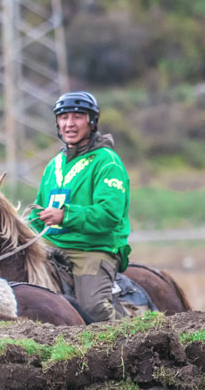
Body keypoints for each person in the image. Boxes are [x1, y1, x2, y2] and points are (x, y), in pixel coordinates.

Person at [29, 90, 131, 322]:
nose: (69, 124)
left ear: (92, 122)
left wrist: (65, 216)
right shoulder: (54, 164)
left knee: (94, 308)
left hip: (92, 249)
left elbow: (109, 215)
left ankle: (128, 336)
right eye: (64, 117)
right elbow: (39, 213)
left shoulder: (107, 162)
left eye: (77, 117)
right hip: (51, 246)